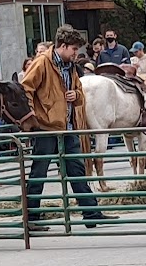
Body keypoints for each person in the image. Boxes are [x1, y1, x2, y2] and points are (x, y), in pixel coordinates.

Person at [21, 25, 118, 229]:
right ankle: (31, 218)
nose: (76, 53)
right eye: (73, 49)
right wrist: (35, 116)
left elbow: (79, 92)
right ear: (62, 46)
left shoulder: (71, 67)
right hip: (46, 127)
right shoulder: (42, 63)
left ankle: (91, 212)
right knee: (39, 172)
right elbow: (25, 89)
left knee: (76, 170)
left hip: (66, 125)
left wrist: (77, 96)